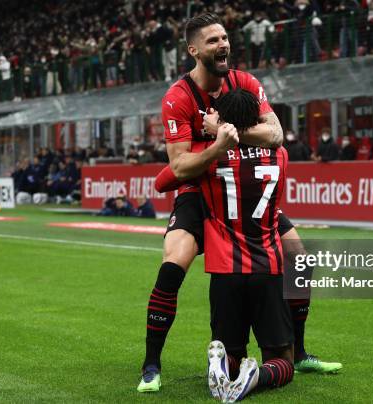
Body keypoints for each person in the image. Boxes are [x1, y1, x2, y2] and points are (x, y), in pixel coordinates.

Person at [138, 12, 340, 394]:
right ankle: (151, 364)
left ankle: (297, 352)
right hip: (198, 192)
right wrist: (219, 145)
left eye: (225, 37)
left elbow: (276, 132)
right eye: (213, 40)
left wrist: (226, 134)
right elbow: (179, 167)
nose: (223, 45)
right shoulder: (177, 97)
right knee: (172, 265)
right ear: (193, 50)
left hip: (238, 188)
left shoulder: (244, 81)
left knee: (300, 258)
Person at [201, 89, 294, 402]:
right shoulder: (280, 155)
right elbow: (272, 134)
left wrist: (215, 132)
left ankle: (225, 367)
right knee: (282, 358)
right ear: (257, 118)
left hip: (225, 268)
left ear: (223, 119)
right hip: (268, 265)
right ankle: (259, 375)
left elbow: (165, 180)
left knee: (232, 349)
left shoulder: (211, 157)